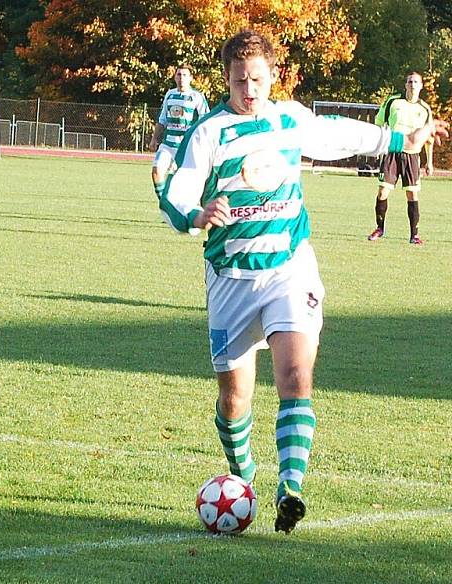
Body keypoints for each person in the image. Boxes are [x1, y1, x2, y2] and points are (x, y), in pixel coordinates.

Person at [159, 30, 447, 534]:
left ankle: (290, 487)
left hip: (289, 270)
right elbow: (176, 188)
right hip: (231, 279)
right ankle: (243, 474)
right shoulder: (209, 131)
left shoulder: (288, 118)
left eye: (257, 78)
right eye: (239, 79)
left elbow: (341, 134)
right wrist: (195, 213)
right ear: (226, 78)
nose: (249, 88)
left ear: (272, 77)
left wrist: (401, 139)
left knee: (296, 379)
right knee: (235, 399)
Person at [367, 71, 434, 245]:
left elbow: (429, 137)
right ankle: (379, 228)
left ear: (421, 86)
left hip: (412, 156)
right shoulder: (393, 102)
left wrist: (429, 162)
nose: (412, 84)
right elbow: (379, 124)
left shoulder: (425, 109)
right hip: (392, 152)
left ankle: (414, 235)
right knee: (383, 191)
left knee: (412, 194)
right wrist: (380, 147)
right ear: (405, 85)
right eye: (409, 81)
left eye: (415, 82)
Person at [149, 65, 210, 199]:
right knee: (156, 171)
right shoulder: (170, 94)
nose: (181, 78)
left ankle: (188, 209)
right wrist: (154, 139)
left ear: (191, 78)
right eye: (179, 75)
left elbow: (205, 122)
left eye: (184, 75)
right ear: (175, 77)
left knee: (185, 183)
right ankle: (166, 205)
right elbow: (162, 119)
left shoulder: (197, 97)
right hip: (168, 144)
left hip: (186, 147)